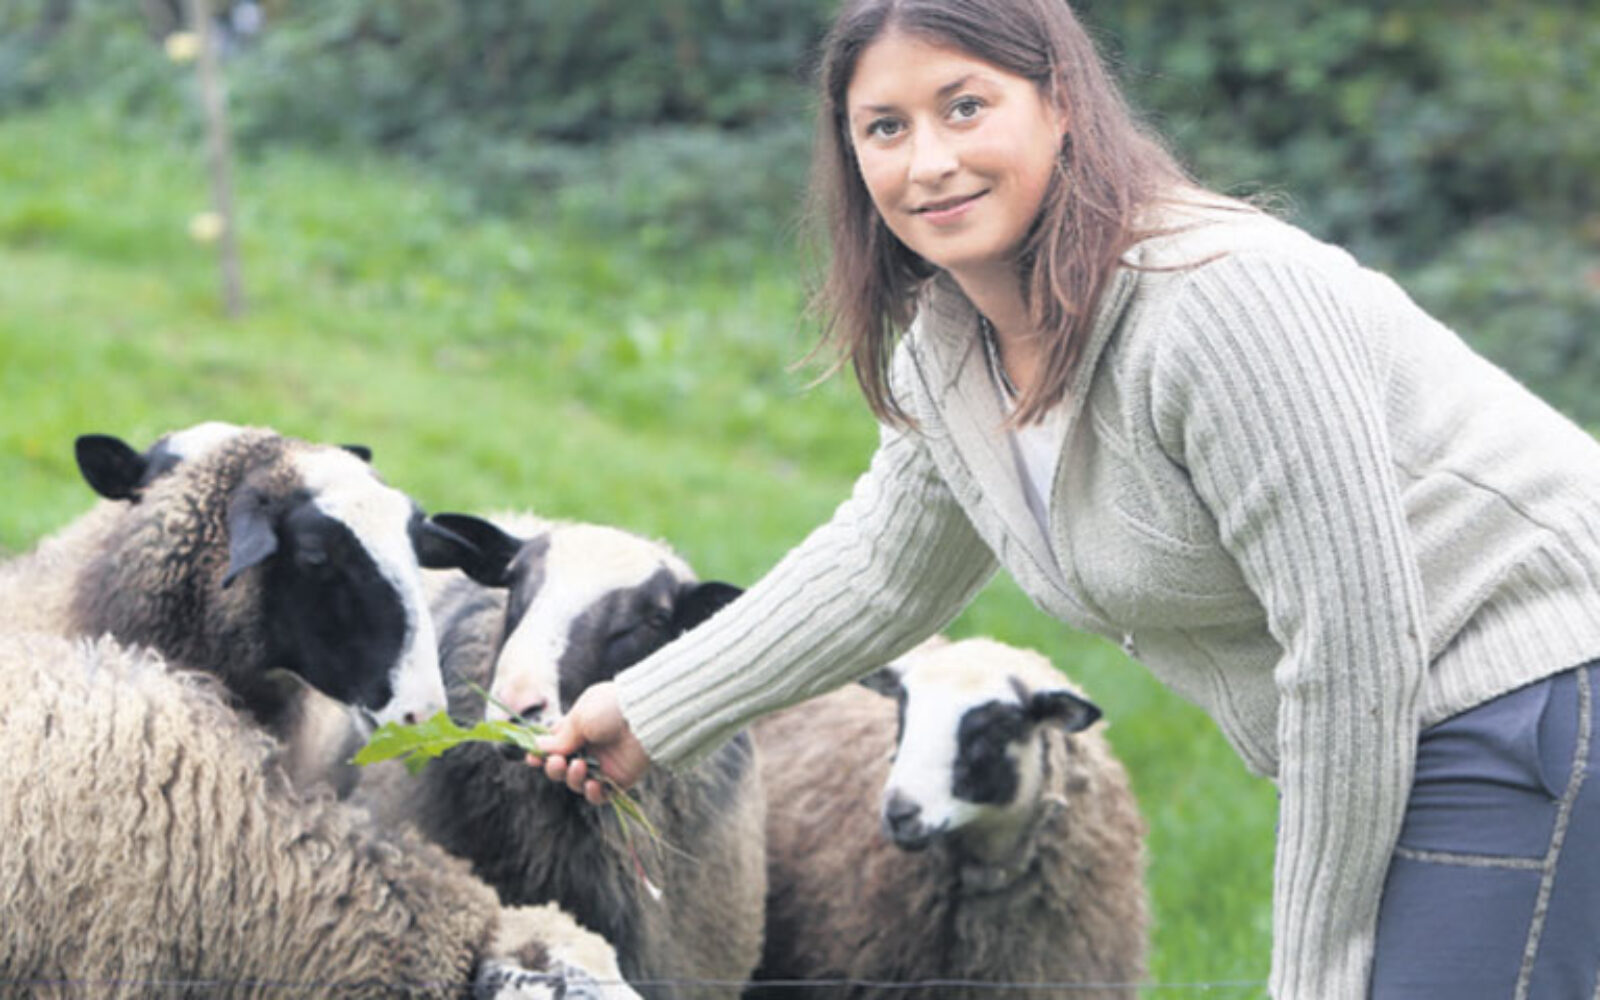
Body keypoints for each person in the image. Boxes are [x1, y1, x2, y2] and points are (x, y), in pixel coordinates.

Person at [534, 0, 1600, 996]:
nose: (929, 160)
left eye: (965, 106)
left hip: (1532, 686)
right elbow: (881, 573)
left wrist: (1314, 971)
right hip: (1425, 718)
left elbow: (1351, 651)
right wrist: (651, 710)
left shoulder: (1220, 303)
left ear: (1060, 103)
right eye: (885, 127)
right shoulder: (952, 351)